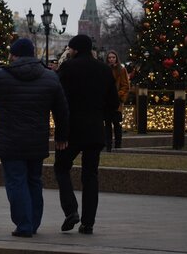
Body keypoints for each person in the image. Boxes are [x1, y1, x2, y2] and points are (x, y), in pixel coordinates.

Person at [0, 37, 69, 238]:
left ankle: (24, 225)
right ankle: (33, 223)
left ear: (13, 55)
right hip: (36, 140)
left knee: (16, 181)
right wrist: (61, 135)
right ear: (32, 54)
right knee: (34, 180)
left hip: (10, 140)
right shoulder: (50, 77)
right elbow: (62, 110)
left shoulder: (2, 75)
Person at [54, 34, 119, 235]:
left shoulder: (68, 68)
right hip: (95, 130)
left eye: (70, 48)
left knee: (61, 168)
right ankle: (88, 223)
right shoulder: (104, 69)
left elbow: (60, 104)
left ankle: (71, 210)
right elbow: (113, 103)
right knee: (90, 175)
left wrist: (61, 134)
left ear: (75, 49)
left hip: (72, 130)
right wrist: (100, 117)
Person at [104, 50, 129, 151]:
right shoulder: (105, 69)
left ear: (116, 58)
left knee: (116, 123)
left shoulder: (121, 70)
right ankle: (108, 145)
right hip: (106, 101)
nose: (111, 59)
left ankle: (118, 145)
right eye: (109, 57)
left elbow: (125, 85)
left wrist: (118, 96)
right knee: (107, 124)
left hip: (116, 101)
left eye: (113, 57)